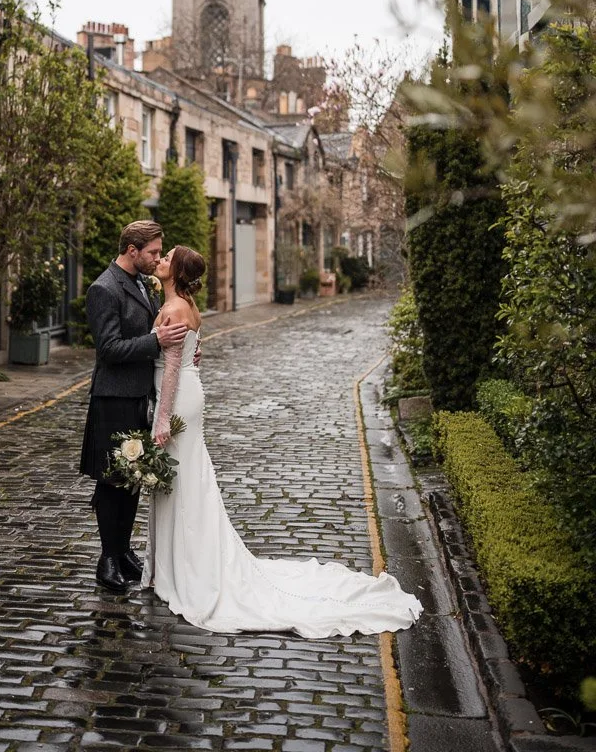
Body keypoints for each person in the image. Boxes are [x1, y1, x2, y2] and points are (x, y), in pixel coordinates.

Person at [141, 245, 423, 638]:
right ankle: (175, 566)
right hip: (191, 392)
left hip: (178, 399)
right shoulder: (184, 304)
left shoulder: (173, 309)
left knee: (181, 482)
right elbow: (192, 351)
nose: (162, 259)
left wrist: (161, 419)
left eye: (168, 257)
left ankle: (186, 571)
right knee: (185, 479)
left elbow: (171, 369)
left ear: (178, 271)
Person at [79, 220, 189, 594]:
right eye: (154, 252)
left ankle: (123, 552)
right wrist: (155, 340)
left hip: (138, 396)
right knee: (111, 481)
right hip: (113, 398)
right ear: (132, 250)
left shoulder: (143, 283)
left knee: (131, 479)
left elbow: (159, 328)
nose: (158, 258)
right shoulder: (103, 289)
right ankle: (107, 560)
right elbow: (108, 350)